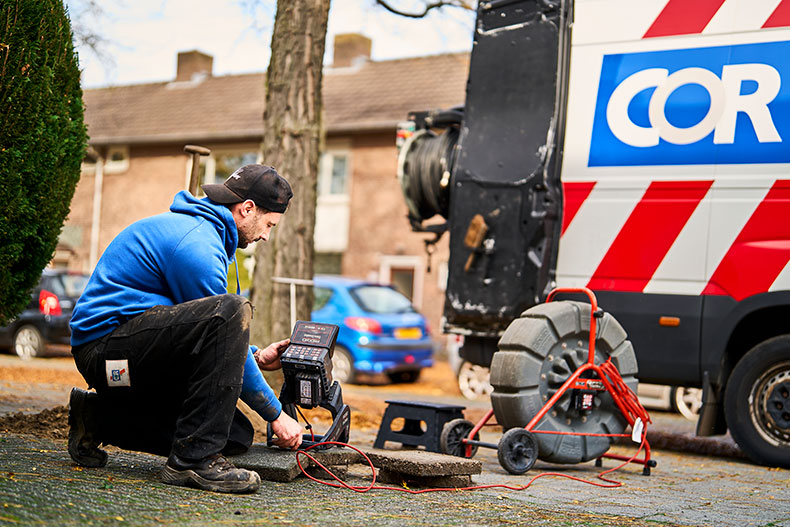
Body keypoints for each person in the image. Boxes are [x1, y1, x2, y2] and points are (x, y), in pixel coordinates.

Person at [67, 164, 304, 494]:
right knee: (232, 308)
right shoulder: (197, 244)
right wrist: (275, 414)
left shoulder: (208, 236)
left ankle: (97, 418)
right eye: (268, 225)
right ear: (247, 209)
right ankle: (192, 461)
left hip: (138, 349)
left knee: (233, 435)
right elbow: (221, 321)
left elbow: (197, 333)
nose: (265, 235)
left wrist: (256, 356)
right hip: (105, 355)